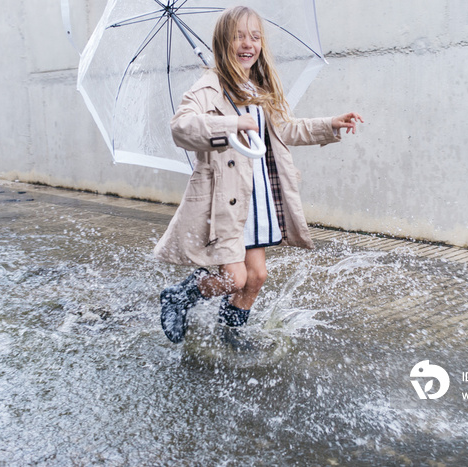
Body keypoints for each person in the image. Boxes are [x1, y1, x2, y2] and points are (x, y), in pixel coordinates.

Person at [154, 6, 363, 343]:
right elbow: (181, 129)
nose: (247, 43)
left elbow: (285, 130)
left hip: (259, 198)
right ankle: (178, 296)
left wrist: (330, 125)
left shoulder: (259, 89)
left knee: (257, 276)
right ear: (223, 43)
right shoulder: (207, 88)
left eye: (254, 36)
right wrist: (229, 124)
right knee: (235, 278)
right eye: (238, 36)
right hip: (226, 201)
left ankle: (230, 332)